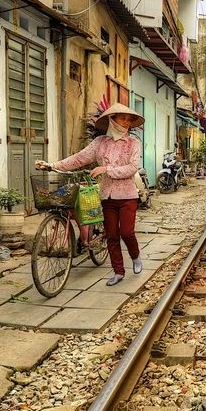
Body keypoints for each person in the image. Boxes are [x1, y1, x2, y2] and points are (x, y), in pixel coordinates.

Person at [35, 103, 146, 286]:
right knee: (111, 235)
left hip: (127, 195)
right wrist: (52, 165)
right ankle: (118, 272)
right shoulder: (100, 143)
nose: (126, 122)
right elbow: (78, 158)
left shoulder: (134, 143)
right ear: (112, 119)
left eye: (128, 119)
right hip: (107, 196)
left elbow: (132, 168)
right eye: (122, 118)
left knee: (127, 232)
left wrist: (106, 169)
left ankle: (135, 257)